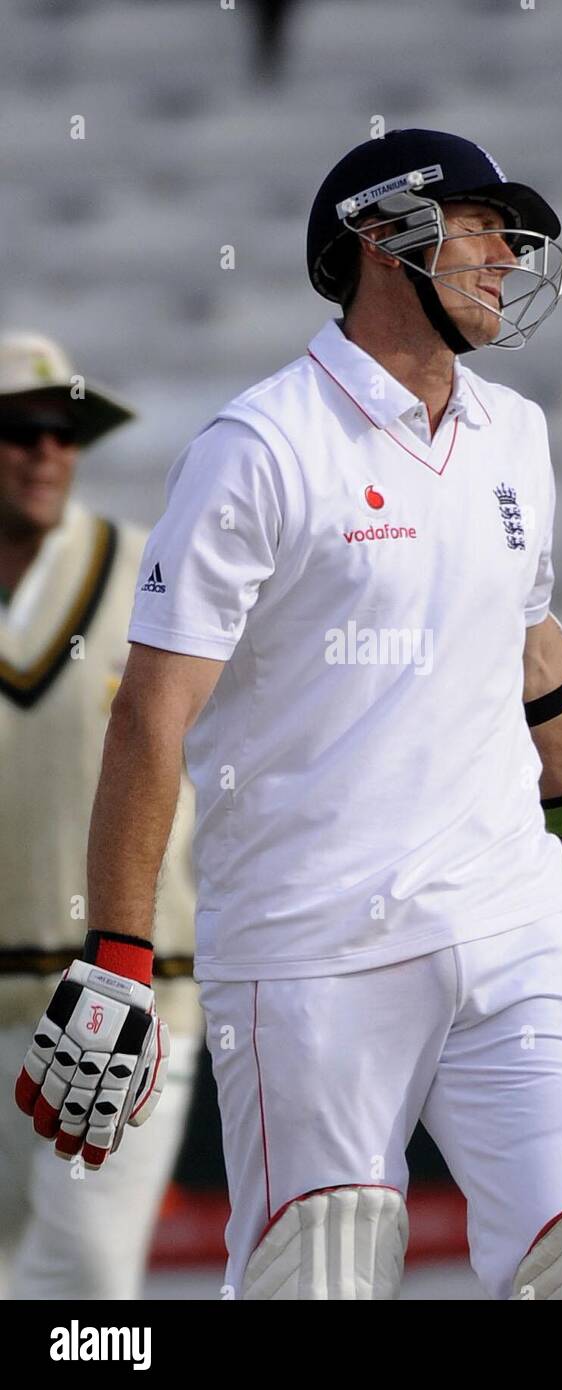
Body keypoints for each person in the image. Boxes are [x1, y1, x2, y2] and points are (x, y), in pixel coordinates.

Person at [15, 131, 562, 1300]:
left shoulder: (519, 436)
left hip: (513, 917)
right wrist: (116, 958)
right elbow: (151, 712)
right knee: (323, 1270)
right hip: (314, 947)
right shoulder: (258, 448)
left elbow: (535, 648)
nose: (509, 256)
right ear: (383, 235)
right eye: (482, 223)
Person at [0, 332, 199, 1299]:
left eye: (64, 432)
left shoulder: (145, 576)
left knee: (81, 1275)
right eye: (20, 430)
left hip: (121, 995)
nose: (46, 452)